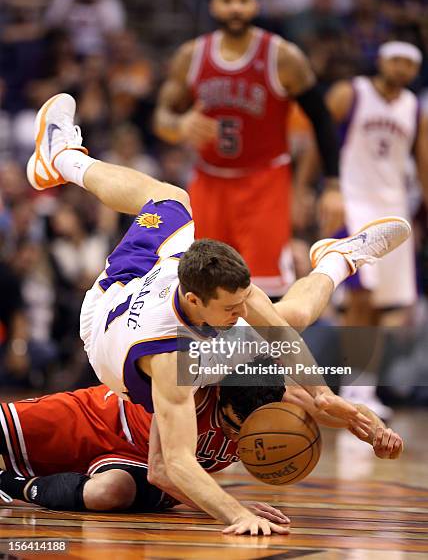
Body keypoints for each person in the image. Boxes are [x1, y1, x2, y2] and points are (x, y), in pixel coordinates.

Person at [24, 92, 409, 535]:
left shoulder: (223, 288)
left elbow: (281, 335)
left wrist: (322, 395)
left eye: (241, 301)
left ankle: (62, 157)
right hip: (107, 326)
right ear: (194, 300)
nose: (240, 312)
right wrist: (237, 512)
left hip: (147, 281)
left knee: (172, 199)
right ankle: (339, 263)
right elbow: (172, 467)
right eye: (230, 308)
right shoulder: (168, 359)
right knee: (279, 321)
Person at [153, 0, 343, 298]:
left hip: (264, 181)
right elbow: (162, 116)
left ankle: (265, 351)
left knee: (265, 289)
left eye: (242, 0)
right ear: (214, 6)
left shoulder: (282, 56)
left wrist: (332, 186)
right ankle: (211, 351)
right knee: (202, 284)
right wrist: (180, 125)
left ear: (255, 5)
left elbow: (322, 118)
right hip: (209, 182)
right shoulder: (191, 56)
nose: (235, 8)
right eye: (227, 1)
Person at [0, 366, 403, 514]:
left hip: (150, 469)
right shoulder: (190, 384)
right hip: (106, 417)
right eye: (231, 426)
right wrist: (232, 507)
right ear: (219, 394)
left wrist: (376, 434)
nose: (236, 439)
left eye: (247, 434)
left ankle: (11, 487)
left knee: (110, 493)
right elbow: (163, 468)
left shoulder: (282, 397)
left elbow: (338, 409)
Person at [325, 40, 428, 417]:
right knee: (360, 299)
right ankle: (351, 388)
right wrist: (314, 188)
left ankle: (364, 390)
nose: (401, 68)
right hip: (352, 204)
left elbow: (422, 165)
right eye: (396, 59)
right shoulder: (351, 92)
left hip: (393, 208)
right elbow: (322, 142)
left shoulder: (414, 110)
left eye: (409, 63)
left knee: (380, 307)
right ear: (382, 60)